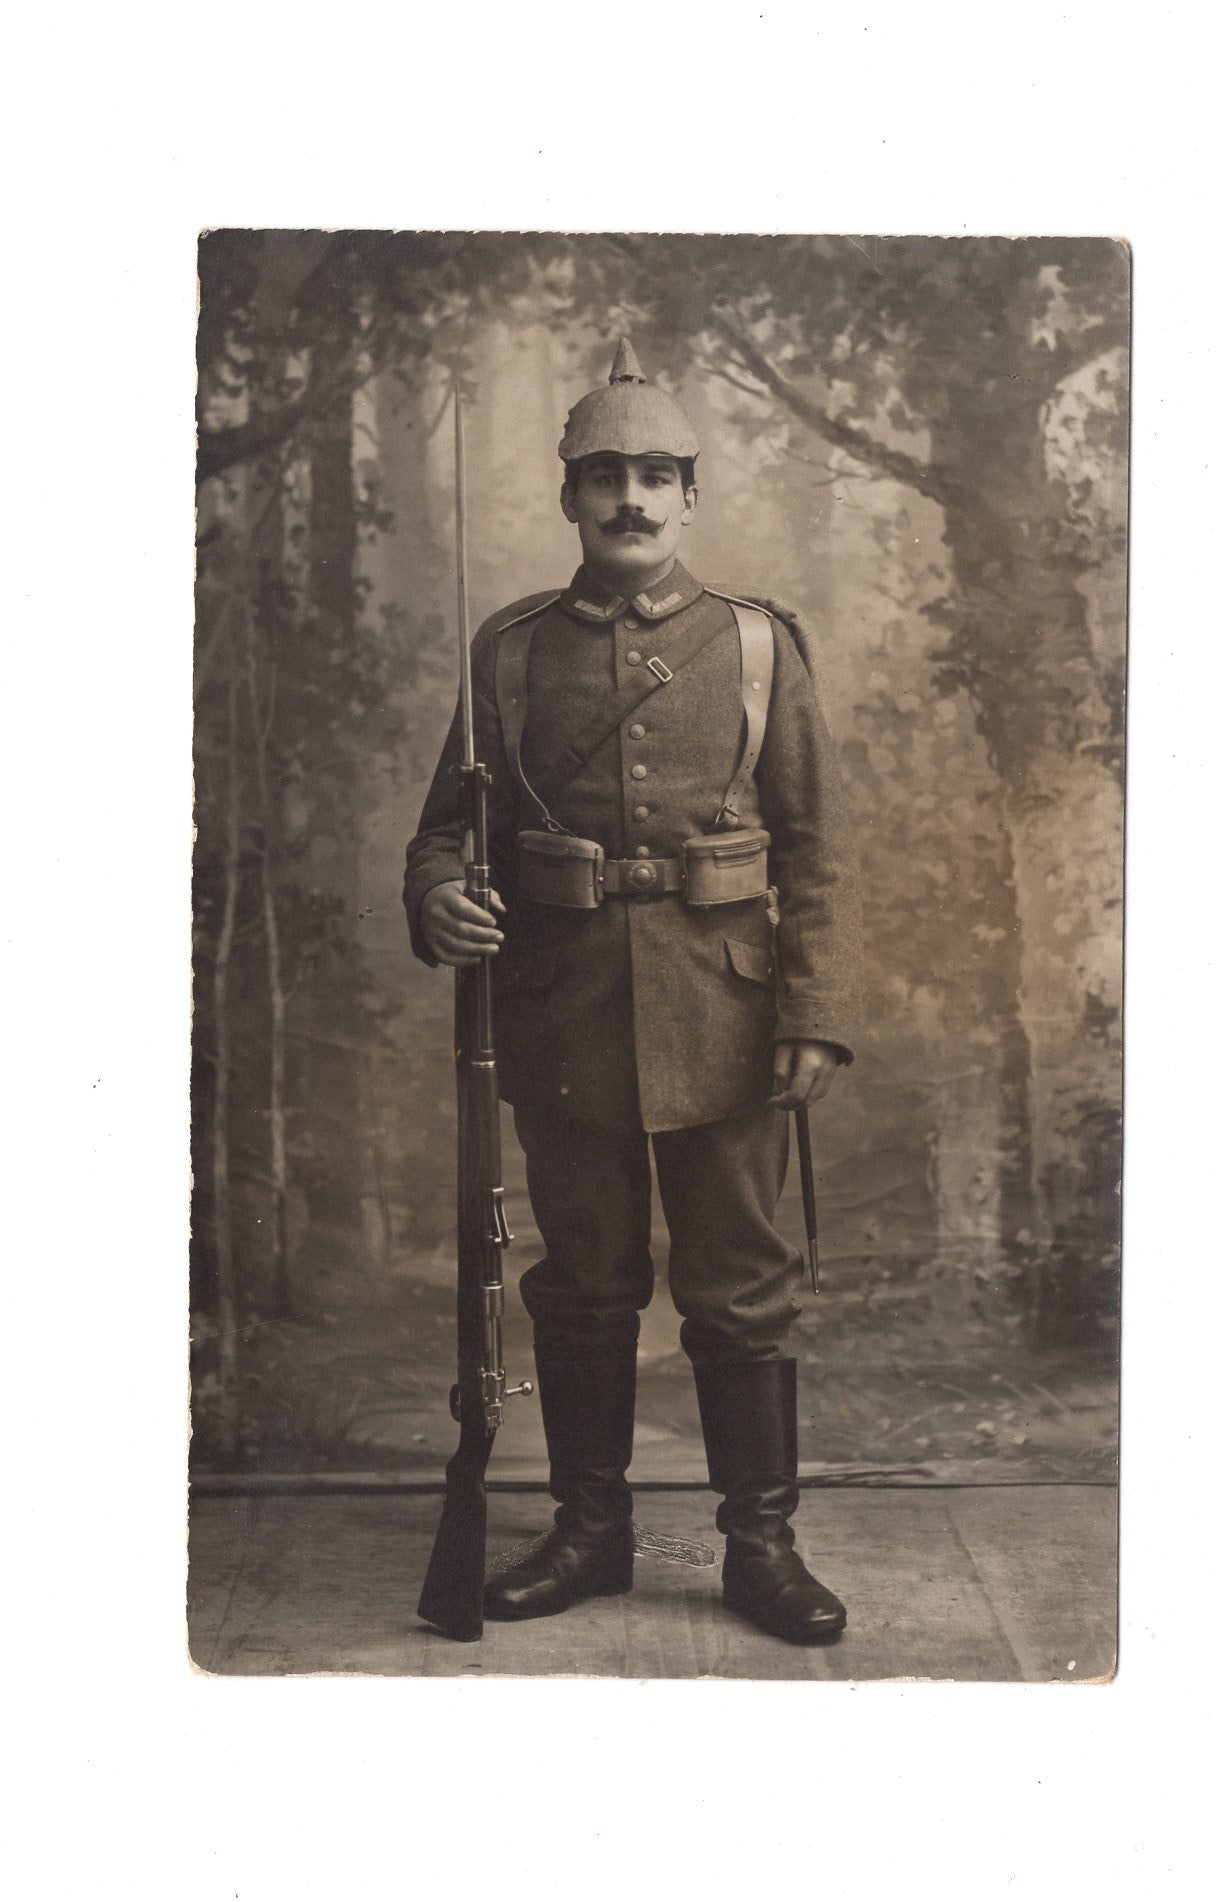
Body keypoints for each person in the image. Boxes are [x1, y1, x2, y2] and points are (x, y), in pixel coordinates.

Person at [403, 340, 859, 1643]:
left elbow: (818, 848)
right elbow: (447, 832)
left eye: (658, 474)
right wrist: (440, 894)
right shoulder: (509, 659)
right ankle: (592, 1529)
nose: (633, 500)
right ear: (570, 497)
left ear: (692, 494)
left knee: (740, 1282)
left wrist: (815, 1011)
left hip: (727, 1012)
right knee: (586, 1278)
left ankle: (759, 1545)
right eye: (606, 475)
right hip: (563, 1019)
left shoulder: (759, 649)